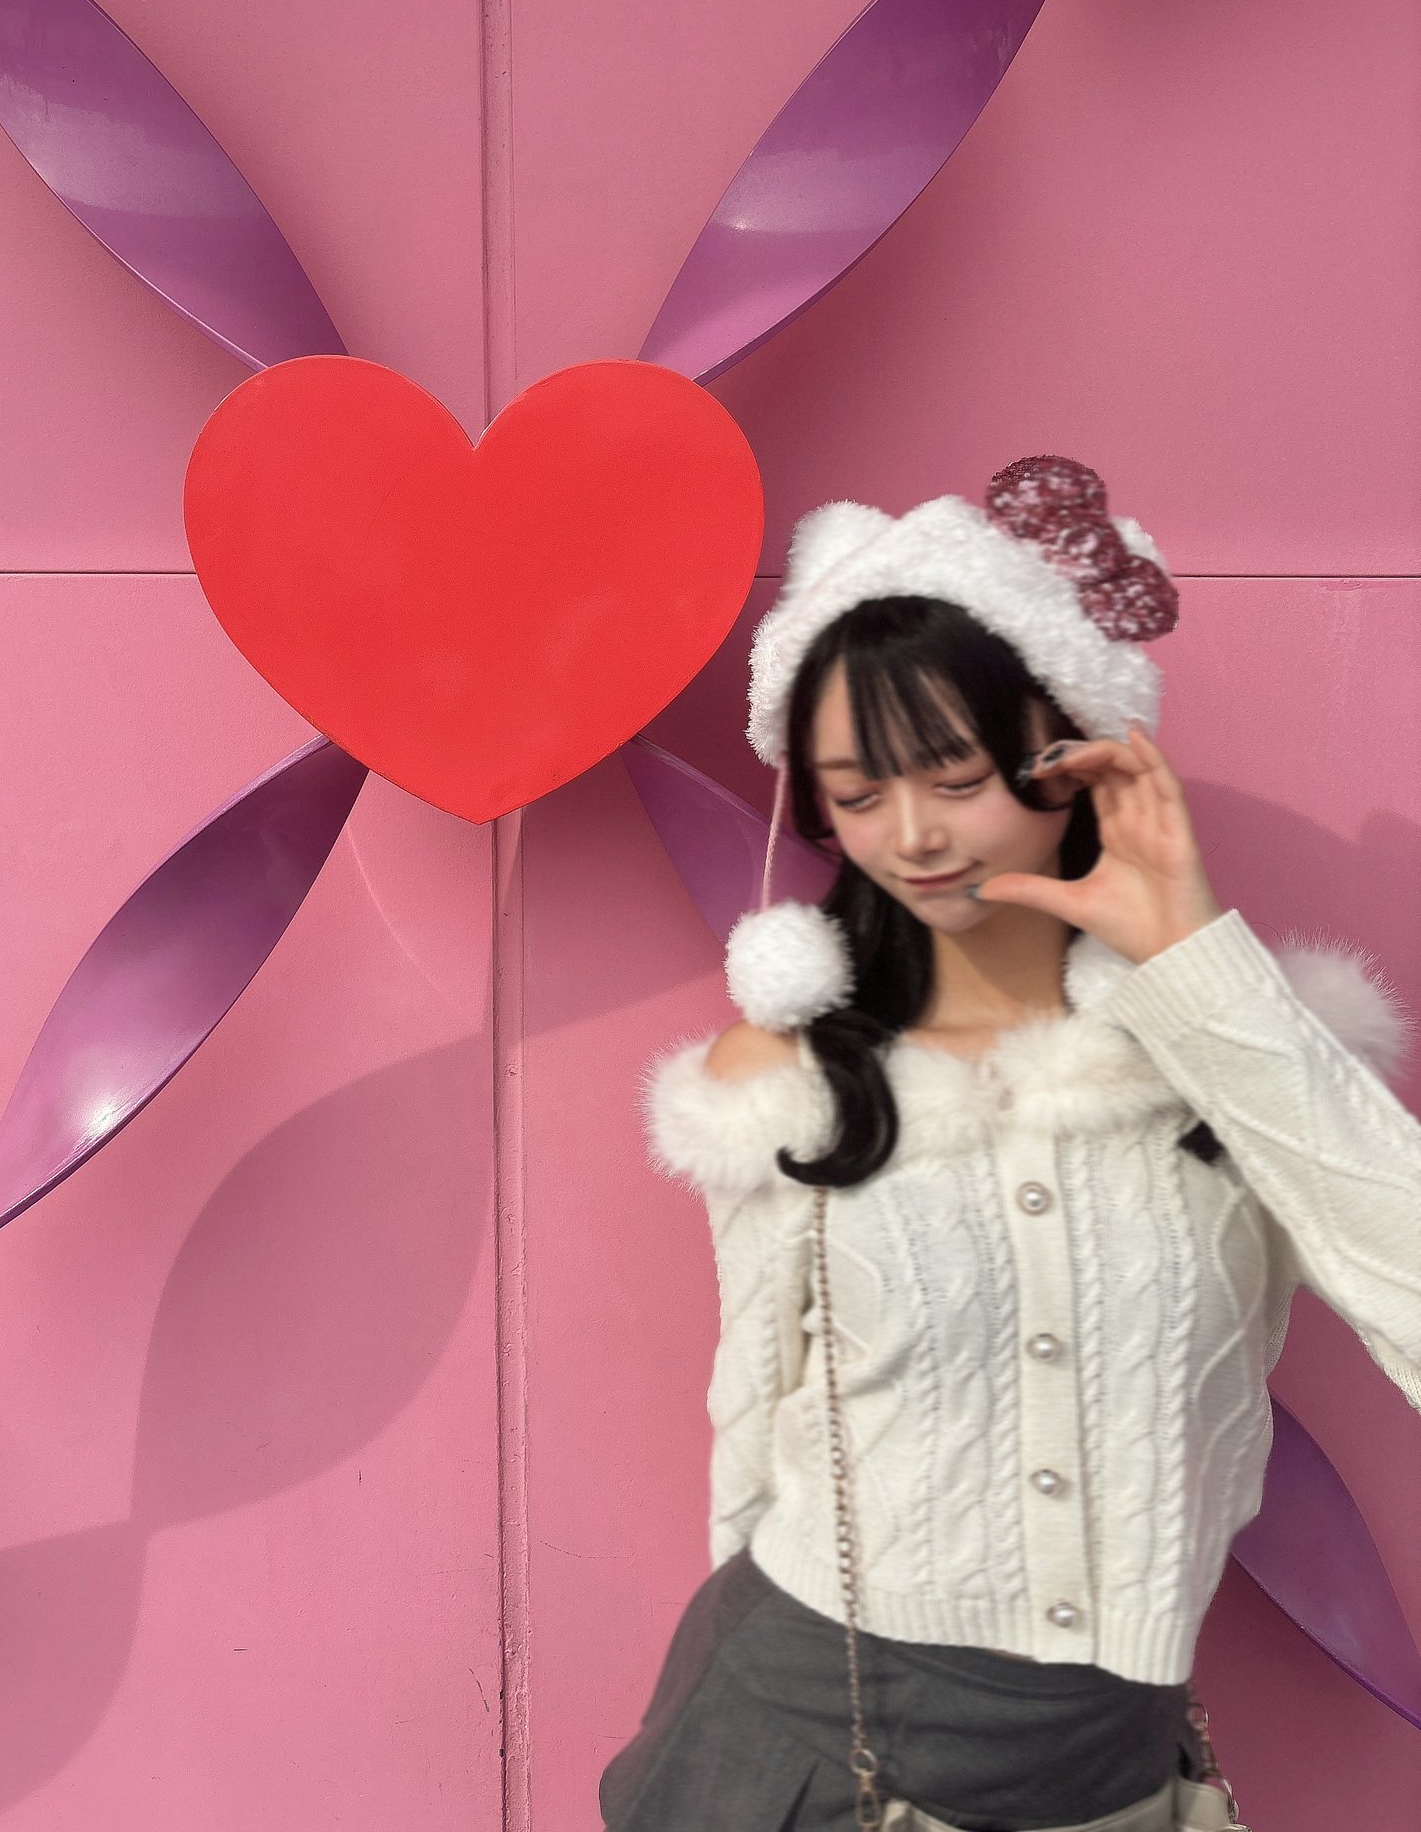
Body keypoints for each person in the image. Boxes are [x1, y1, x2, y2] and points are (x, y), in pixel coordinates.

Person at [598, 460, 1421, 1832]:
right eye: (858, 794)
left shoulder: (1235, 1058)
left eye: (957, 775)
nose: (912, 835)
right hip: (800, 1741)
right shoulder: (795, 1081)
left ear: (1072, 752)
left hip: (1107, 1772)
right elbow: (752, 1412)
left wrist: (1201, 968)